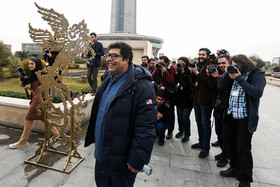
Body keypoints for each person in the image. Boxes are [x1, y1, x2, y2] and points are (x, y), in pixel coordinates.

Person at [84, 41, 157, 186]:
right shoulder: (108, 78)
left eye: (114, 56)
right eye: (108, 55)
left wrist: (137, 158)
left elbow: (146, 126)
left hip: (122, 163)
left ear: (126, 60)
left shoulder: (141, 86)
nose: (109, 59)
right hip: (102, 155)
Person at [218, 54, 266, 187]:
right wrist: (228, 74)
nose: (234, 67)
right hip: (231, 115)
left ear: (243, 63)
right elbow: (220, 86)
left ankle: (245, 180)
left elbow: (257, 92)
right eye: (232, 65)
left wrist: (239, 78)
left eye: (236, 65)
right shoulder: (231, 74)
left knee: (243, 149)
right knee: (231, 144)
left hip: (245, 118)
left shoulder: (257, 74)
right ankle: (234, 168)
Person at [9, 57, 60, 149]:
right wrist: (28, 87)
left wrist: (24, 83)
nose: (30, 65)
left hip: (38, 100)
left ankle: (22, 142)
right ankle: (56, 133)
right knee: (44, 118)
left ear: (37, 64)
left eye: (32, 63)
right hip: (41, 99)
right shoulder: (36, 74)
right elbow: (38, 86)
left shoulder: (39, 74)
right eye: (29, 64)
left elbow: (43, 87)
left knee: (28, 119)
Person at [189, 48, 214, 158]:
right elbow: (195, 81)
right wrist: (192, 73)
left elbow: (209, 83)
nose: (200, 56)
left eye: (203, 54)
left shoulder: (211, 66)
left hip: (205, 99)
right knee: (199, 122)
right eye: (199, 54)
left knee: (205, 124)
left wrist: (197, 73)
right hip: (196, 97)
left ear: (208, 56)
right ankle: (201, 142)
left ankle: (205, 148)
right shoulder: (198, 65)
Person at [207, 54, 230, 167]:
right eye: (219, 63)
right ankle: (223, 152)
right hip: (218, 107)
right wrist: (211, 76)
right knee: (219, 133)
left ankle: (226, 157)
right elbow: (212, 88)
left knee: (225, 135)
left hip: (226, 109)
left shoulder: (230, 74)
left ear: (229, 63)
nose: (221, 65)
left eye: (223, 63)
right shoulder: (217, 73)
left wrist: (217, 78)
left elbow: (222, 87)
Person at [174, 57, 193, 142]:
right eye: (179, 63)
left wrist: (183, 71)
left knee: (185, 117)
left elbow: (187, 83)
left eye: (182, 63)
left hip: (188, 98)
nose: (180, 65)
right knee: (179, 117)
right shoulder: (178, 72)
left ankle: (187, 134)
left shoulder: (190, 72)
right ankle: (181, 131)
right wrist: (177, 72)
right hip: (179, 97)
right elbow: (176, 81)